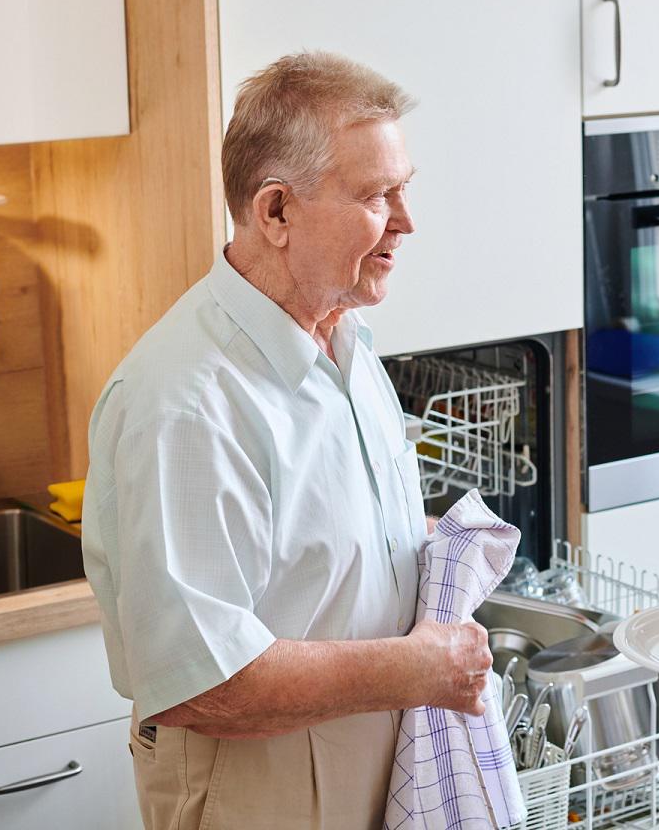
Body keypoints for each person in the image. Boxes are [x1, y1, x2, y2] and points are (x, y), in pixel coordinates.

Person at [80, 51, 494, 828]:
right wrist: (417, 667)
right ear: (276, 212)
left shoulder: (347, 342)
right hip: (262, 788)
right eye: (377, 195)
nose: (407, 221)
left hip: (374, 753)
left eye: (405, 188)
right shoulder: (186, 403)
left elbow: (307, 547)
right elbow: (211, 682)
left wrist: (427, 547)